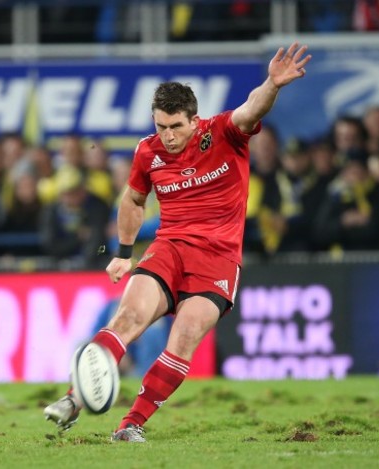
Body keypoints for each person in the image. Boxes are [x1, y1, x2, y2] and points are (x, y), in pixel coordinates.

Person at [43, 41, 311, 442]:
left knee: (184, 337)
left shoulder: (223, 133)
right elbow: (134, 199)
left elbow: (251, 107)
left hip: (218, 258)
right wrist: (122, 253)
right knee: (126, 320)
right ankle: (73, 400)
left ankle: (130, 424)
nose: (167, 136)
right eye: (160, 126)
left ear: (194, 120)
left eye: (175, 127)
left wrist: (272, 84)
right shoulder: (147, 153)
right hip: (169, 248)